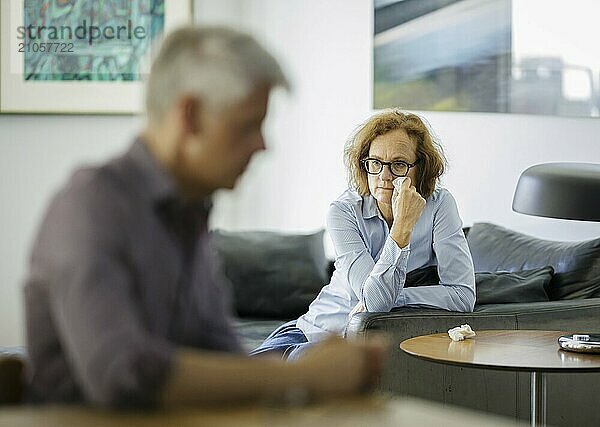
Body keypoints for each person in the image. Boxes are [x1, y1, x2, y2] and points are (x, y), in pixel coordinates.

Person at [23, 26, 386, 408]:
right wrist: (305, 375)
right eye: (248, 125)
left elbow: (222, 355)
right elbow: (123, 375)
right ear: (191, 117)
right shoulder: (91, 205)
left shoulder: (189, 215)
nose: (263, 145)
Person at [251, 109, 476, 360]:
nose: (384, 176)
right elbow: (375, 301)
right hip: (313, 333)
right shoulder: (343, 211)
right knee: (240, 386)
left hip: (357, 345)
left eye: (399, 164)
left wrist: (396, 297)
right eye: (375, 163)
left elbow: (462, 295)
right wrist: (402, 228)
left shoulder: (440, 205)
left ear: (419, 169)